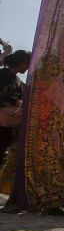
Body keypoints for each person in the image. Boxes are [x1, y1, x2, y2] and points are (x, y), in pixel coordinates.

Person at [0, 50, 30, 196]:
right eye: (28, 63)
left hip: (8, 124)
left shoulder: (17, 80)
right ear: (23, 61)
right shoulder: (3, 75)